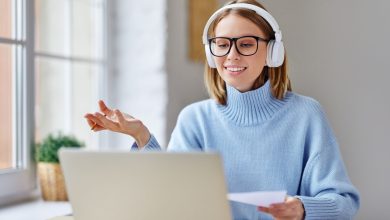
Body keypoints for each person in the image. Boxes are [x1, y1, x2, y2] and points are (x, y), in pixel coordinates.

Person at [84, 0, 360, 219]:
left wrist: (302, 209)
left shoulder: (306, 116)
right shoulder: (195, 119)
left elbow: (343, 203)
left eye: (247, 44)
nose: (232, 55)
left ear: (272, 52)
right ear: (211, 52)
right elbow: (170, 197)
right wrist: (142, 136)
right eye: (222, 44)